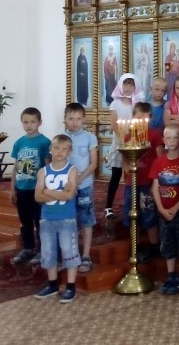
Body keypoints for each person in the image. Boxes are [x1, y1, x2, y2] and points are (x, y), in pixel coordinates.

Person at [33, 134, 79, 303]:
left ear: (69, 152)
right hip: (47, 218)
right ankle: (52, 284)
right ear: (50, 149)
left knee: (69, 251)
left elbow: (69, 196)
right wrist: (58, 193)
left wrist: (47, 191)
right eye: (56, 148)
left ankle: (71, 287)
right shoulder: (43, 171)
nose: (60, 152)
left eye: (64, 149)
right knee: (48, 252)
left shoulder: (72, 170)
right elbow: (37, 196)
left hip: (67, 218)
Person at [122, 102, 165, 264]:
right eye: (138, 118)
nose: (141, 121)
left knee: (149, 214)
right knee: (132, 214)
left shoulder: (154, 135)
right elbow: (124, 159)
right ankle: (135, 246)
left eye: (144, 118)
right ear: (133, 117)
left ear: (150, 119)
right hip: (131, 182)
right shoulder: (128, 137)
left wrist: (156, 181)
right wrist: (129, 169)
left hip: (148, 182)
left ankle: (154, 246)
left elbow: (160, 159)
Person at [150, 124, 179, 294]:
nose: (171, 141)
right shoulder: (159, 161)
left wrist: (175, 207)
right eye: (168, 138)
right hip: (164, 212)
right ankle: (171, 275)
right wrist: (161, 208)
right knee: (167, 243)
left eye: (175, 137)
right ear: (164, 140)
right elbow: (155, 186)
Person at [10, 107, 51, 266]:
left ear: (40, 122)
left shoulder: (45, 142)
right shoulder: (19, 143)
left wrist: (45, 189)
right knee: (25, 221)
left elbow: (47, 167)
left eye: (33, 121)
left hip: (37, 189)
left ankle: (42, 249)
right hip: (22, 189)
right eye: (25, 122)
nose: (29, 125)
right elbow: (16, 167)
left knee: (39, 220)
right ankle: (28, 247)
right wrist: (12, 188)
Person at [63, 102, 98, 273]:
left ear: (84, 119)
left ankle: (86, 255)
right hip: (66, 187)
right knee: (68, 220)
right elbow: (57, 161)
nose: (75, 122)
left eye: (78, 118)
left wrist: (78, 180)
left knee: (86, 219)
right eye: (71, 118)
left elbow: (93, 164)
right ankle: (71, 254)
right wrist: (68, 181)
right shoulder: (61, 138)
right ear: (64, 119)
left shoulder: (90, 137)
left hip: (84, 185)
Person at [105, 73, 144, 219]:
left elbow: (140, 122)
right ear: (121, 85)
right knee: (116, 175)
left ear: (135, 86)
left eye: (131, 84)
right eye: (125, 84)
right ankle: (108, 206)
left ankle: (134, 205)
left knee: (133, 175)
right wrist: (125, 140)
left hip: (134, 143)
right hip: (120, 143)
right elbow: (114, 125)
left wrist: (133, 138)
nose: (128, 87)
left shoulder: (137, 103)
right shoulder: (115, 103)